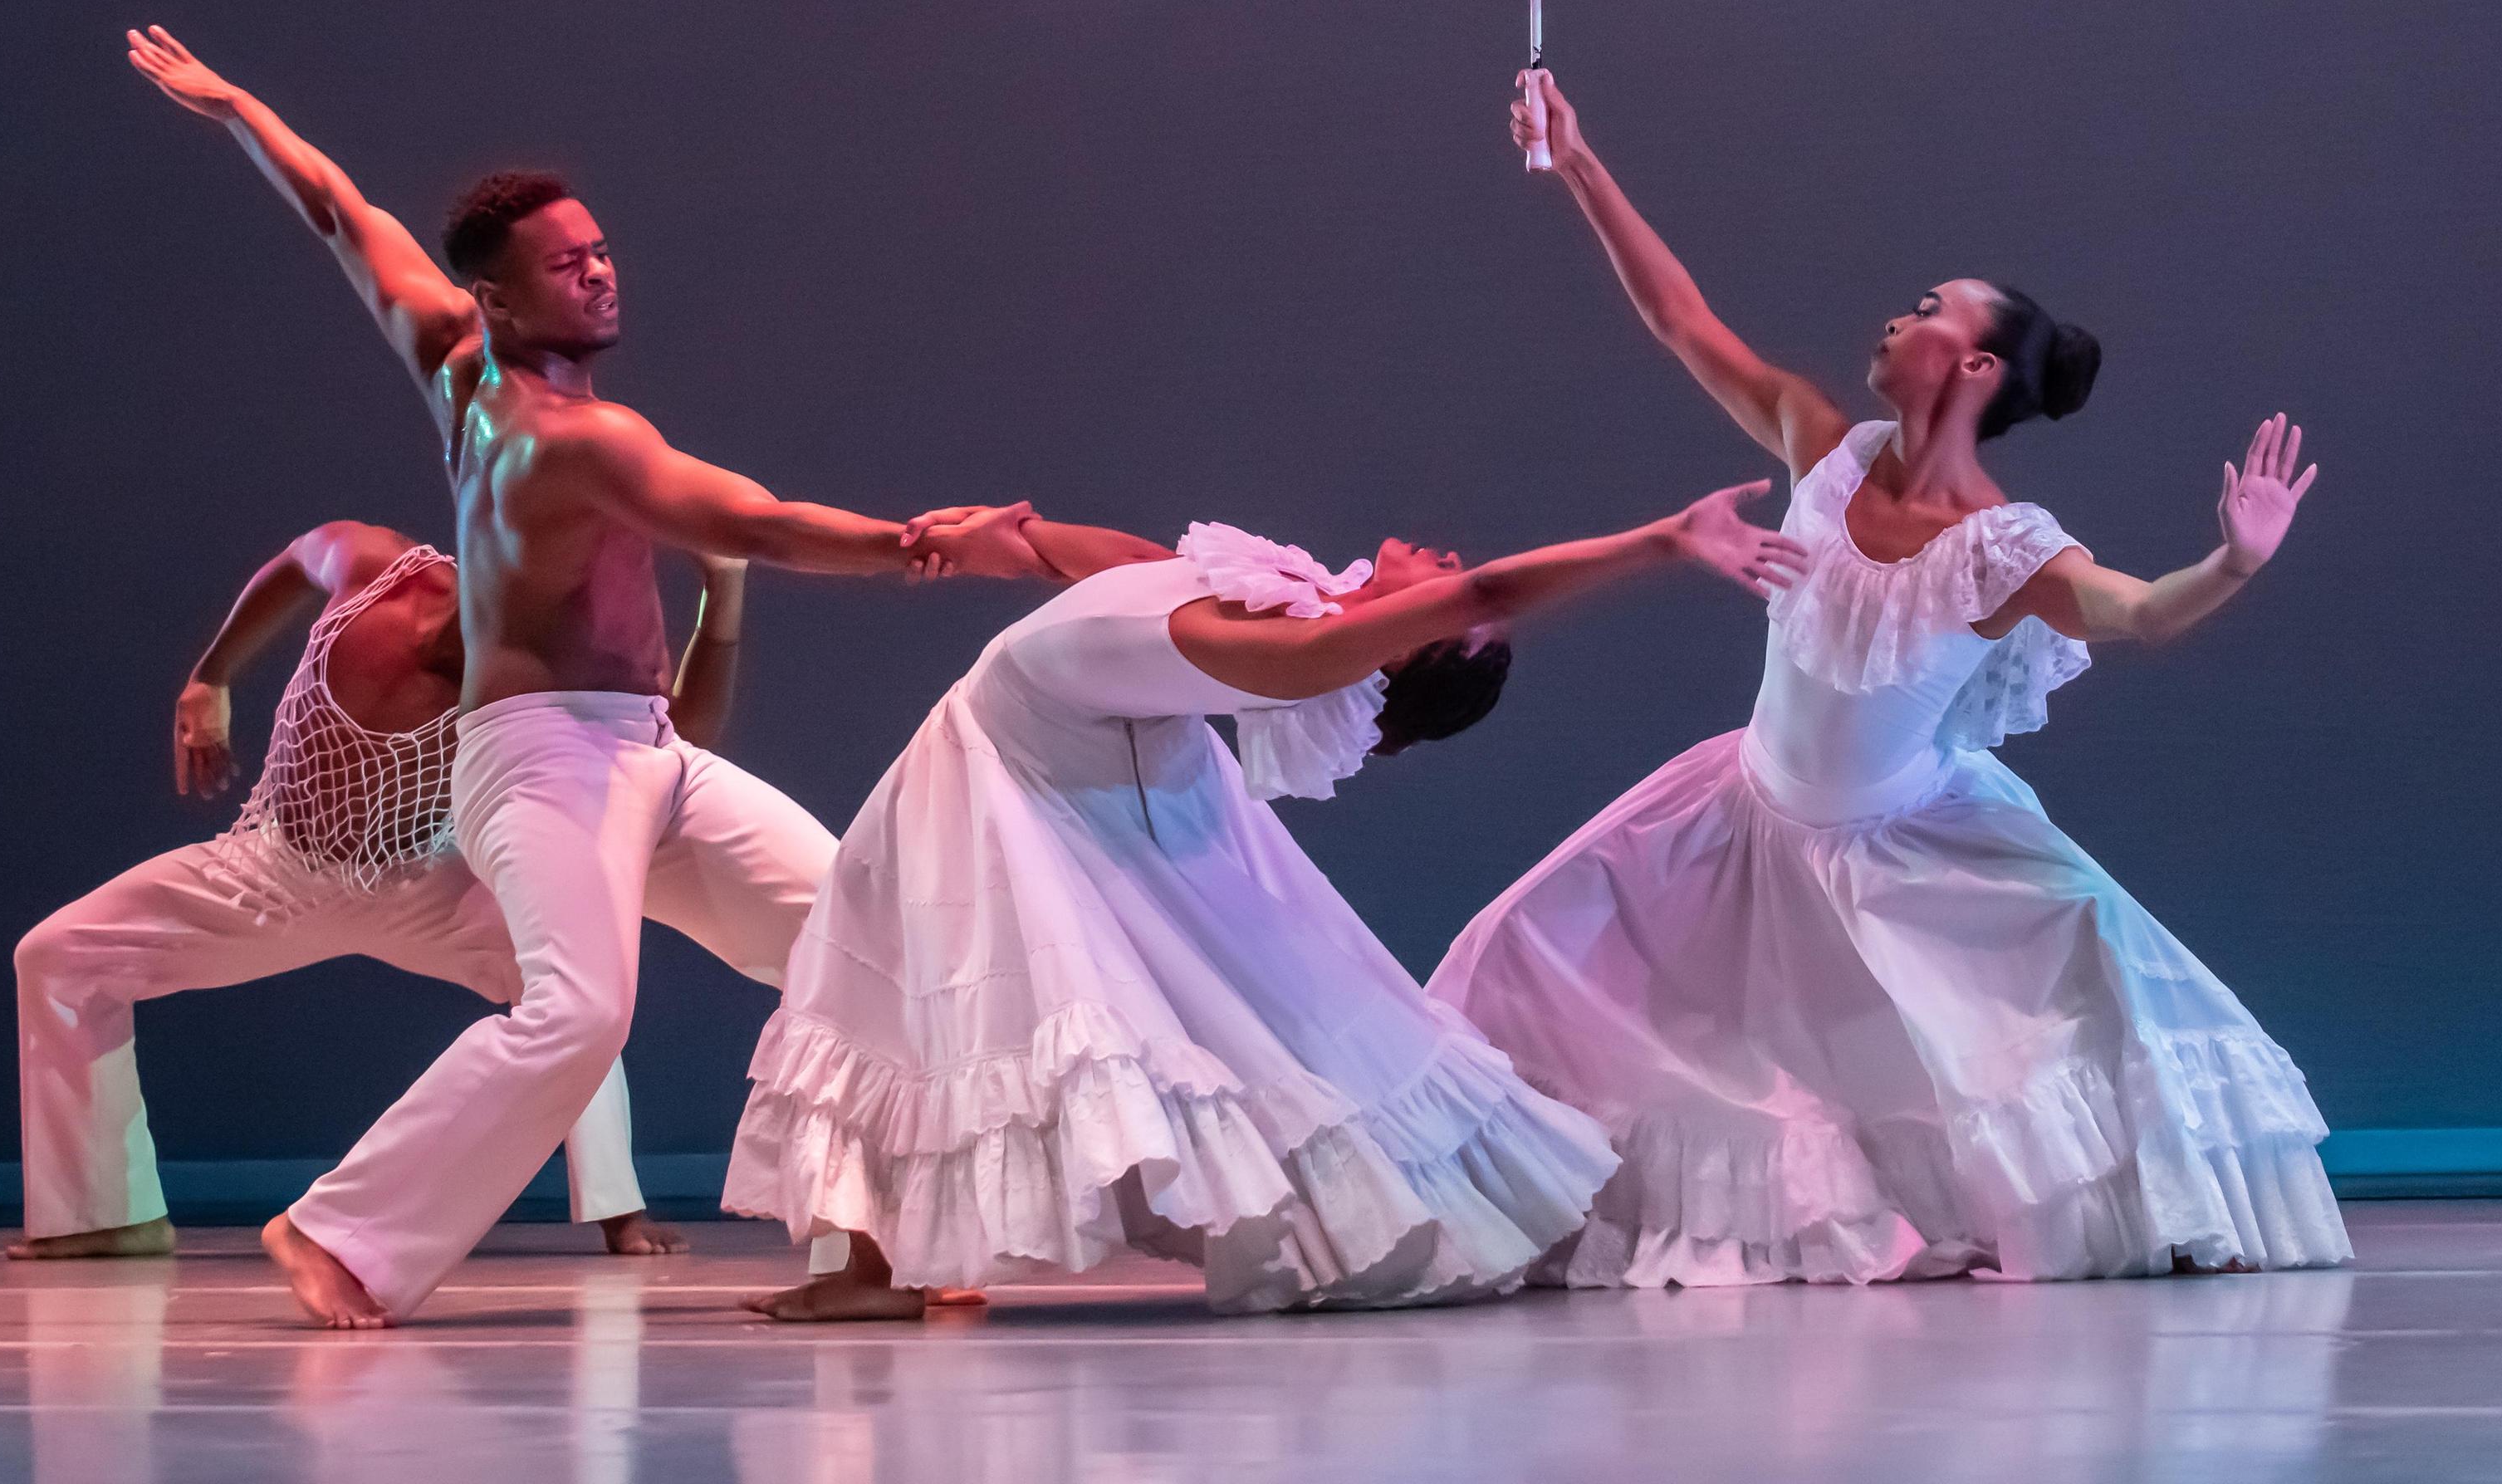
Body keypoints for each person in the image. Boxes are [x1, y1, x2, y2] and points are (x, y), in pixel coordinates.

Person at [126, 26, 1032, 1327]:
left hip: (642, 750)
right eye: (568, 265)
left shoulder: (454, 360)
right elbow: (759, 523)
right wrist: (915, 546)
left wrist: (238, 109)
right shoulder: (580, 441)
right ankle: (340, 1233)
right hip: (542, 757)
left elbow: (338, 207)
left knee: (854, 934)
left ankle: (871, 1244)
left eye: (602, 250)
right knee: (579, 1009)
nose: (603, 274)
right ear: (500, 297)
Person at [1428, 73, 2351, 1286]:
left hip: (1901, 854)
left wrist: (2232, 560)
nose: (1896, 318)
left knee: (2048, 985)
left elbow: (2137, 613)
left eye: (1929, 310)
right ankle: (1488, 1206)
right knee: (1516, 949)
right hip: (1739, 821)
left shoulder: (2006, 549)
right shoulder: (1825, 447)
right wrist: (1582, 164)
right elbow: (1683, 324)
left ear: (1972, 369)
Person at [722, 486, 1810, 1320]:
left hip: (1011, 779)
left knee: (900, 988)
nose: (1453, 564)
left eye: (1449, 602)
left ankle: (879, 1263)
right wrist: (1011, 537)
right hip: (1016, 764)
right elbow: (1133, 573)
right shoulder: (1277, 590)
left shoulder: (1290, 651)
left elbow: (1485, 594)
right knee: (886, 990)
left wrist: (1660, 543)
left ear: (1412, 640)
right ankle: (880, 1260)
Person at [11, 524, 750, 1261]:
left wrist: (721, 595)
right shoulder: (372, 566)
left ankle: (619, 1209)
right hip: (274, 871)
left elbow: (681, 736)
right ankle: (105, 1215)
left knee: (570, 981)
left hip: (425, 884)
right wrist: (213, 675)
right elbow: (294, 563)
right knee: (57, 958)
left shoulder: (540, 671)